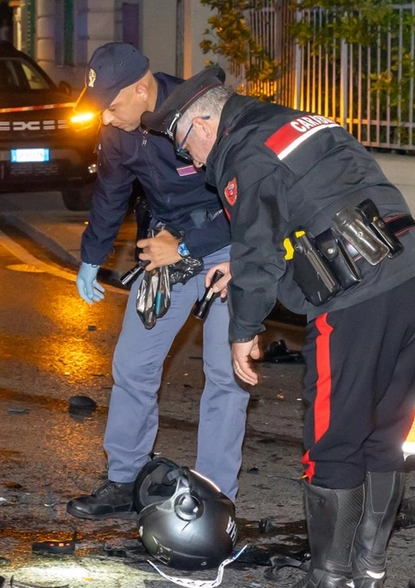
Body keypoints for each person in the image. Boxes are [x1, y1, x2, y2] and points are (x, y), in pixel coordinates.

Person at [145, 73, 415, 588]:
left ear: (202, 122)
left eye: (185, 144)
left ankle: (329, 577)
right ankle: (368, 570)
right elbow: (325, 199)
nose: (192, 162)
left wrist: (243, 329)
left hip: (359, 294)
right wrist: (243, 265)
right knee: (385, 432)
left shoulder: (244, 154)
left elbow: (260, 251)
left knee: (332, 440)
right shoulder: (296, 123)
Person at [67, 43, 249, 519]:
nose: (105, 119)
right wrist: (90, 256)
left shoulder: (202, 115)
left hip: (226, 243)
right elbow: (110, 194)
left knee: (224, 374)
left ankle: (214, 494)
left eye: (111, 106)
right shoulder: (119, 133)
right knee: (133, 365)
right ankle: (124, 479)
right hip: (165, 248)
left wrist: (185, 243)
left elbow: (248, 203)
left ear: (141, 88)